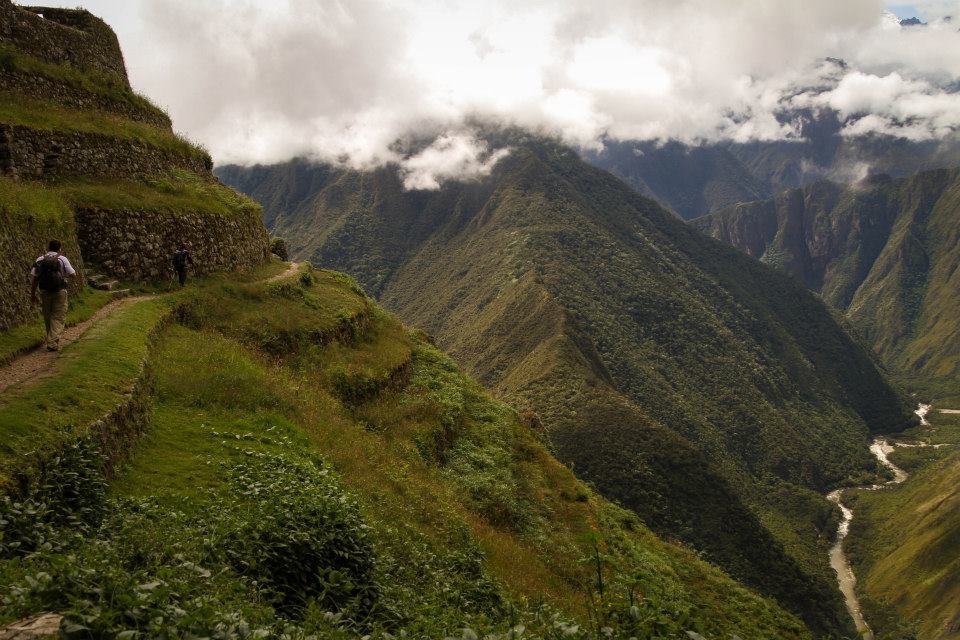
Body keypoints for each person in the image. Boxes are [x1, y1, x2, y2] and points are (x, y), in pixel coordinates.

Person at [30, 239, 77, 352]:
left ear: (48, 247)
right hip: (60, 291)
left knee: (48, 316)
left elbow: (35, 278)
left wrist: (32, 294)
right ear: (59, 248)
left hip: (44, 291)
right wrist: (63, 276)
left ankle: (52, 341)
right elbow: (73, 274)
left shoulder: (40, 259)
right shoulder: (62, 259)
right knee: (58, 316)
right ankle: (52, 342)